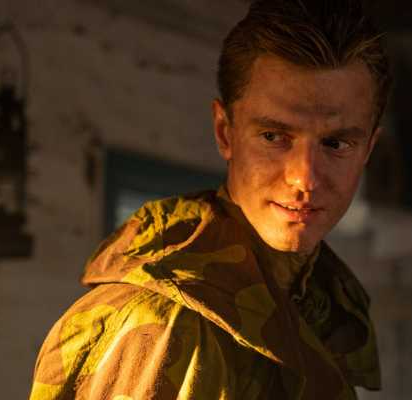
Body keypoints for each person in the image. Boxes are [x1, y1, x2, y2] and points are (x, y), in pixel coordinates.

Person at [29, 0, 391, 398]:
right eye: (273, 136)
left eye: (336, 143)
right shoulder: (166, 325)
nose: (304, 178)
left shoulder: (317, 302)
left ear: (368, 150)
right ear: (224, 132)